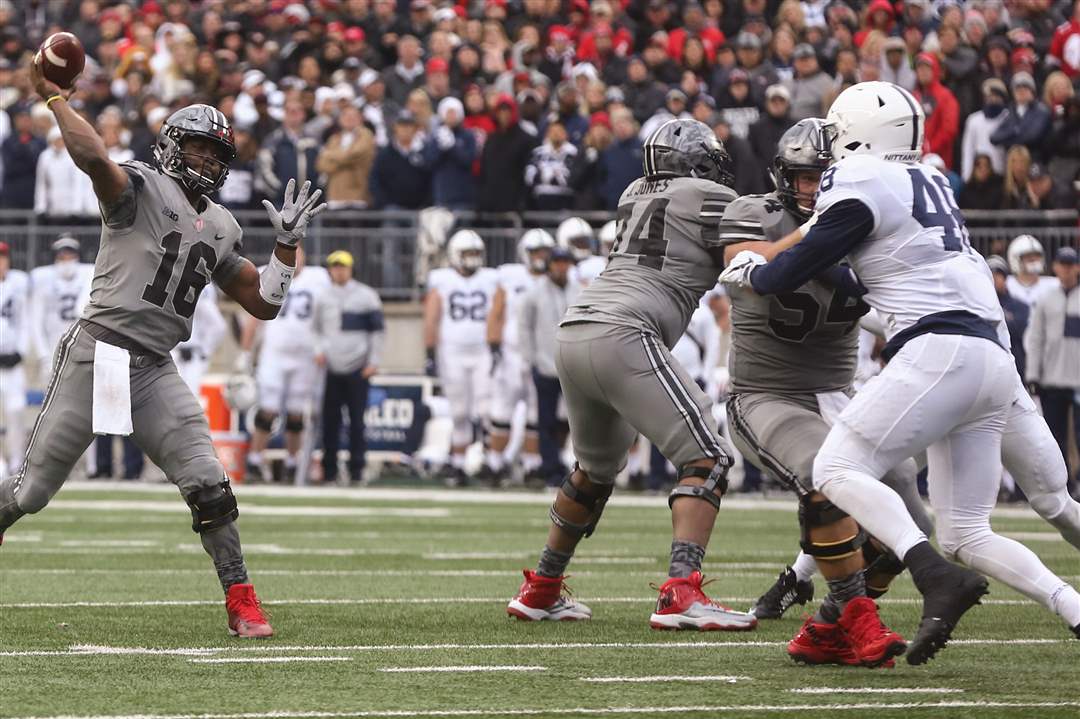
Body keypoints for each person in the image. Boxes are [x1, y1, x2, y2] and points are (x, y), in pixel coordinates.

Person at [721, 82, 1080, 662]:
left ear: (860, 134)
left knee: (835, 468)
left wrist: (753, 274)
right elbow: (859, 274)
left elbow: (795, 267)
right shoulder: (928, 178)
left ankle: (932, 574)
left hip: (940, 352)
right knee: (980, 527)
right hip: (993, 358)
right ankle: (1073, 607)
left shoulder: (857, 178)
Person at [0, 60, 329, 639]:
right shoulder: (139, 188)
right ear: (173, 145)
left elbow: (263, 303)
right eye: (198, 148)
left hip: (153, 367)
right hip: (98, 351)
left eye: (216, 154)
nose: (207, 161)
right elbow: (94, 159)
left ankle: (242, 599)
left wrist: (285, 248)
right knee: (32, 491)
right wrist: (56, 101)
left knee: (209, 481)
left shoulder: (222, 225)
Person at [507, 119, 758, 632]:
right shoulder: (710, 196)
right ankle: (682, 592)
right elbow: (753, 249)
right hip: (626, 331)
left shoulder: (632, 192)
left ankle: (542, 587)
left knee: (593, 470)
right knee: (708, 457)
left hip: (576, 328)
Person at [720, 119, 928, 666]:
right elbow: (747, 261)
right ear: (784, 177)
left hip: (840, 393)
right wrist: (820, 237)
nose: (815, 189)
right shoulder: (755, 212)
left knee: (910, 525)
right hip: (768, 394)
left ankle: (830, 624)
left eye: (826, 177)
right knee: (825, 476)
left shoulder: (871, 219)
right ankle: (859, 620)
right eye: (806, 178)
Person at [240, 247, 331, 484]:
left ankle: (292, 463)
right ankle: (255, 461)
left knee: (296, 414)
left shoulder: (318, 278)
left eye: (299, 254)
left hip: (305, 357)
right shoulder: (268, 274)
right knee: (267, 410)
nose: (295, 259)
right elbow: (253, 317)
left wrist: (323, 345)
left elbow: (329, 315)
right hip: (274, 354)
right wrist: (245, 353)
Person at [424, 230, 498, 486]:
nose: (472, 258)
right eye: (467, 253)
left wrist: (496, 343)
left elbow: (499, 311)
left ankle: (491, 462)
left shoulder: (491, 279)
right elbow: (432, 315)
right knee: (459, 412)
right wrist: (429, 351)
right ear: (455, 255)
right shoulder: (441, 280)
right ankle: (457, 464)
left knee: (487, 409)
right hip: (451, 352)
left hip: (482, 351)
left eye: (476, 253)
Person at [485, 229, 555, 485]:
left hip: (542, 355)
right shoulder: (510, 276)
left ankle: (531, 465)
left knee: (536, 414)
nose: (541, 257)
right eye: (536, 252)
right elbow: (496, 311)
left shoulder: (556, 280)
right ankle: (494, 463)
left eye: (545, 252)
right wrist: (493, 344)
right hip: (512, 353)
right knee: (503, 410)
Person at [313, 250, 384, 486]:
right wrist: (318, 351)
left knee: (357, 422)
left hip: (357, 367)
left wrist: (373, 361)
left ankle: (357, 470)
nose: (339, 271)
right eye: (335, 267)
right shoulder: (323, 296)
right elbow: (315, 329)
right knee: (330, 422)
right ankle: (329, 471)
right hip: (331, 368)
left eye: (342, 267)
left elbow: (377, 332)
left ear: (351, 269)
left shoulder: (367, 296)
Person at [518, 246, 582, 487]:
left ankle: (570, 463)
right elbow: (524, 327)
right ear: (550, 265)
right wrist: (530, 359)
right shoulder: (535, 293)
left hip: (572, 366)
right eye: (557, 262)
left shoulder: (579, 291)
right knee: (546, 421)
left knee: (575, 420)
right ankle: (550, 467)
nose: (561, 267)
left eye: (565, 262)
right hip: (545, 365)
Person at [1024, 247, 1080, 497]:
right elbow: (1036, 338)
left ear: (1077, 267)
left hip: (1078, 379)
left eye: (1070, 265)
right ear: (1055, 267)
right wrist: (1033, 375)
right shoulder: (1046, 299)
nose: (1066, 270)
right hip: (1052, 378)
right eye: (1062, 264)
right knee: (1055, 437)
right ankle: (1062, 484)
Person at [29, 235, 94, 378]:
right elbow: (36, 321)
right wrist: (43, 355)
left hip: (81, 344)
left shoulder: (89, 274)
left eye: (71, 256)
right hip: (53, 344)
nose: (67, 260)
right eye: (62, 257)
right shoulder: (43, 279)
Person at [0, 242, 30, 478]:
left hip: (13, 363)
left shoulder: (19, 282)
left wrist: (20, 351)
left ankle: (17, 463)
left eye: (2, 257)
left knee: (16, 411)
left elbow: (25, 320)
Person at [172, 284, 226, 396]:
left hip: (191, 357)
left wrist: (203, 350)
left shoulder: (203, 286)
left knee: (188, 397)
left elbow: (218, 325)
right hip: (175, 353)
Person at [1006, 234, 1059, 306]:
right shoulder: (1006, 285)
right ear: (1016, 260)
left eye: (1037, 256)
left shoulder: (1054, 284)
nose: (1034, 260)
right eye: (1028, 257)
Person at [557, 217, 603, 284]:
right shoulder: (559, 267)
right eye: (578, 242)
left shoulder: (600, 262)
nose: (583, 245)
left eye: (585, 241)